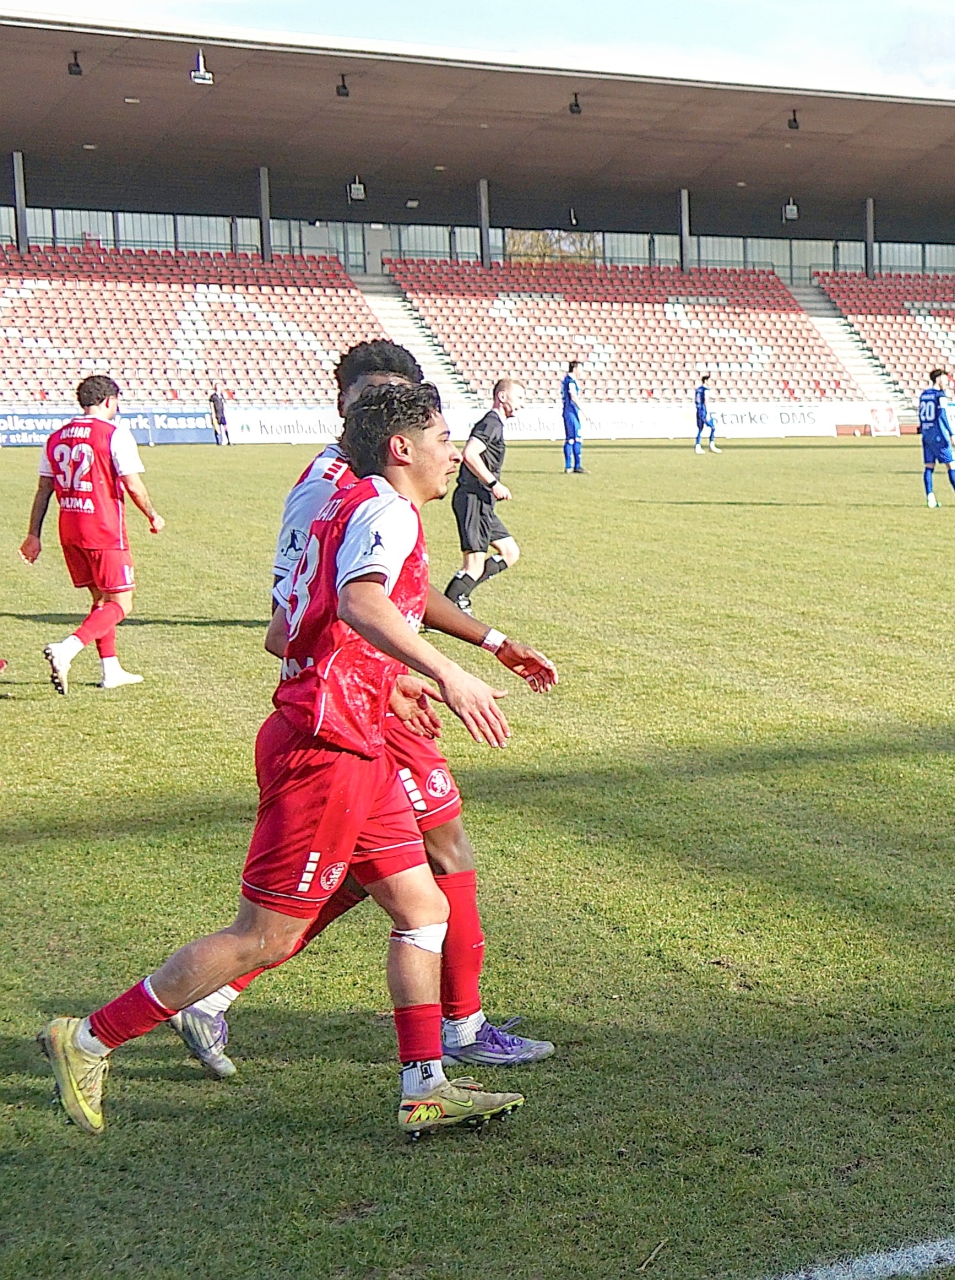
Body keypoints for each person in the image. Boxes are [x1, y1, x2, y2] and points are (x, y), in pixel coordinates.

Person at [41, 382, 528, 1138]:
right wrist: (447, 672)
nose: (454, 455)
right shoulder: (387, 511)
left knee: (421, 907)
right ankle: (89, 1037)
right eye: (443, 439)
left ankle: (424, 1085)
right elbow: (362, 605)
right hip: (323, 748)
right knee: (263, 936)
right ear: (402, 448)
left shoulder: (346, 500)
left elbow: (294, 626)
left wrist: (385, 679)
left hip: (352, 734)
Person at [172, 342, 556, 1082]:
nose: (393, 411)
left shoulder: (375, 483)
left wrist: (494, 639)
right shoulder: (336, 486)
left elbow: (399, 590)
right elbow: (296, 619)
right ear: (344, 399)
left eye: (405, 395)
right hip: (354, 705)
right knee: (441, 855)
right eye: (375, 394)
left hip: (374, 690)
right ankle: (459, 1029)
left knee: (393, 871)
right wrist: (406, 680)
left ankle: (218, 995)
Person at [19, 375, 165, 693]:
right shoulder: (113, 434)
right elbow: (132, 483)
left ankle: (110, 669)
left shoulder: (55, 437)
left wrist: (33, 535)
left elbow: (44, 489)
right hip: (103, 529)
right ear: (109, 401)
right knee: (121, 604)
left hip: (69, 528)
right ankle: (67, 649)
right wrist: (152, 515)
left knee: (101, 600)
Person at [444, 379, 522, 614]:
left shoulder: (495, 424)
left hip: (482, 500)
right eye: (519, 398)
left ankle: (456, 598)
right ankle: (451, 606)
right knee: (474, 564)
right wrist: (493, 483)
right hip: (473, 498)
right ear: (502, 397)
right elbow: (469, 453)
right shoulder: (490, 423)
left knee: (510, 552)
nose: (522, 405)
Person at [918, 369, 955, 508]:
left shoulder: (924, 395)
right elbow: (942, 415)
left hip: (927, 434)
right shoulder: (940, 395)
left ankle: (930, 499)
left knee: (929, 467)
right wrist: (951, 433)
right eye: (945, 380)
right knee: (952, 465)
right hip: (939, 436)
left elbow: (921, 414)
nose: (947, 383)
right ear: (938, 379)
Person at [561, 361, 585, 474]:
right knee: (571, 438)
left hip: (572, 412)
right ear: (575, 368)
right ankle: (570, 465)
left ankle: (576, 465)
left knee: (576, 438)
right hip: (570, 412)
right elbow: (573, 397)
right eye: (580, 369)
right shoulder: (570, 381)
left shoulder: (569, 380)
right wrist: (584, 411)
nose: (581, 372)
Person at [693, 374, 720, 454]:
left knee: (700, 429)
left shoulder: (698, 389)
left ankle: (698, 446)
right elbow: (706, 401)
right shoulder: (706, 390)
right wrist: (707, 413)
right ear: (706, 381)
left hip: (698, 410)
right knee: (713, 427)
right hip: (703, 411)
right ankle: (712, 445)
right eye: (709, 380)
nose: (710, 382)